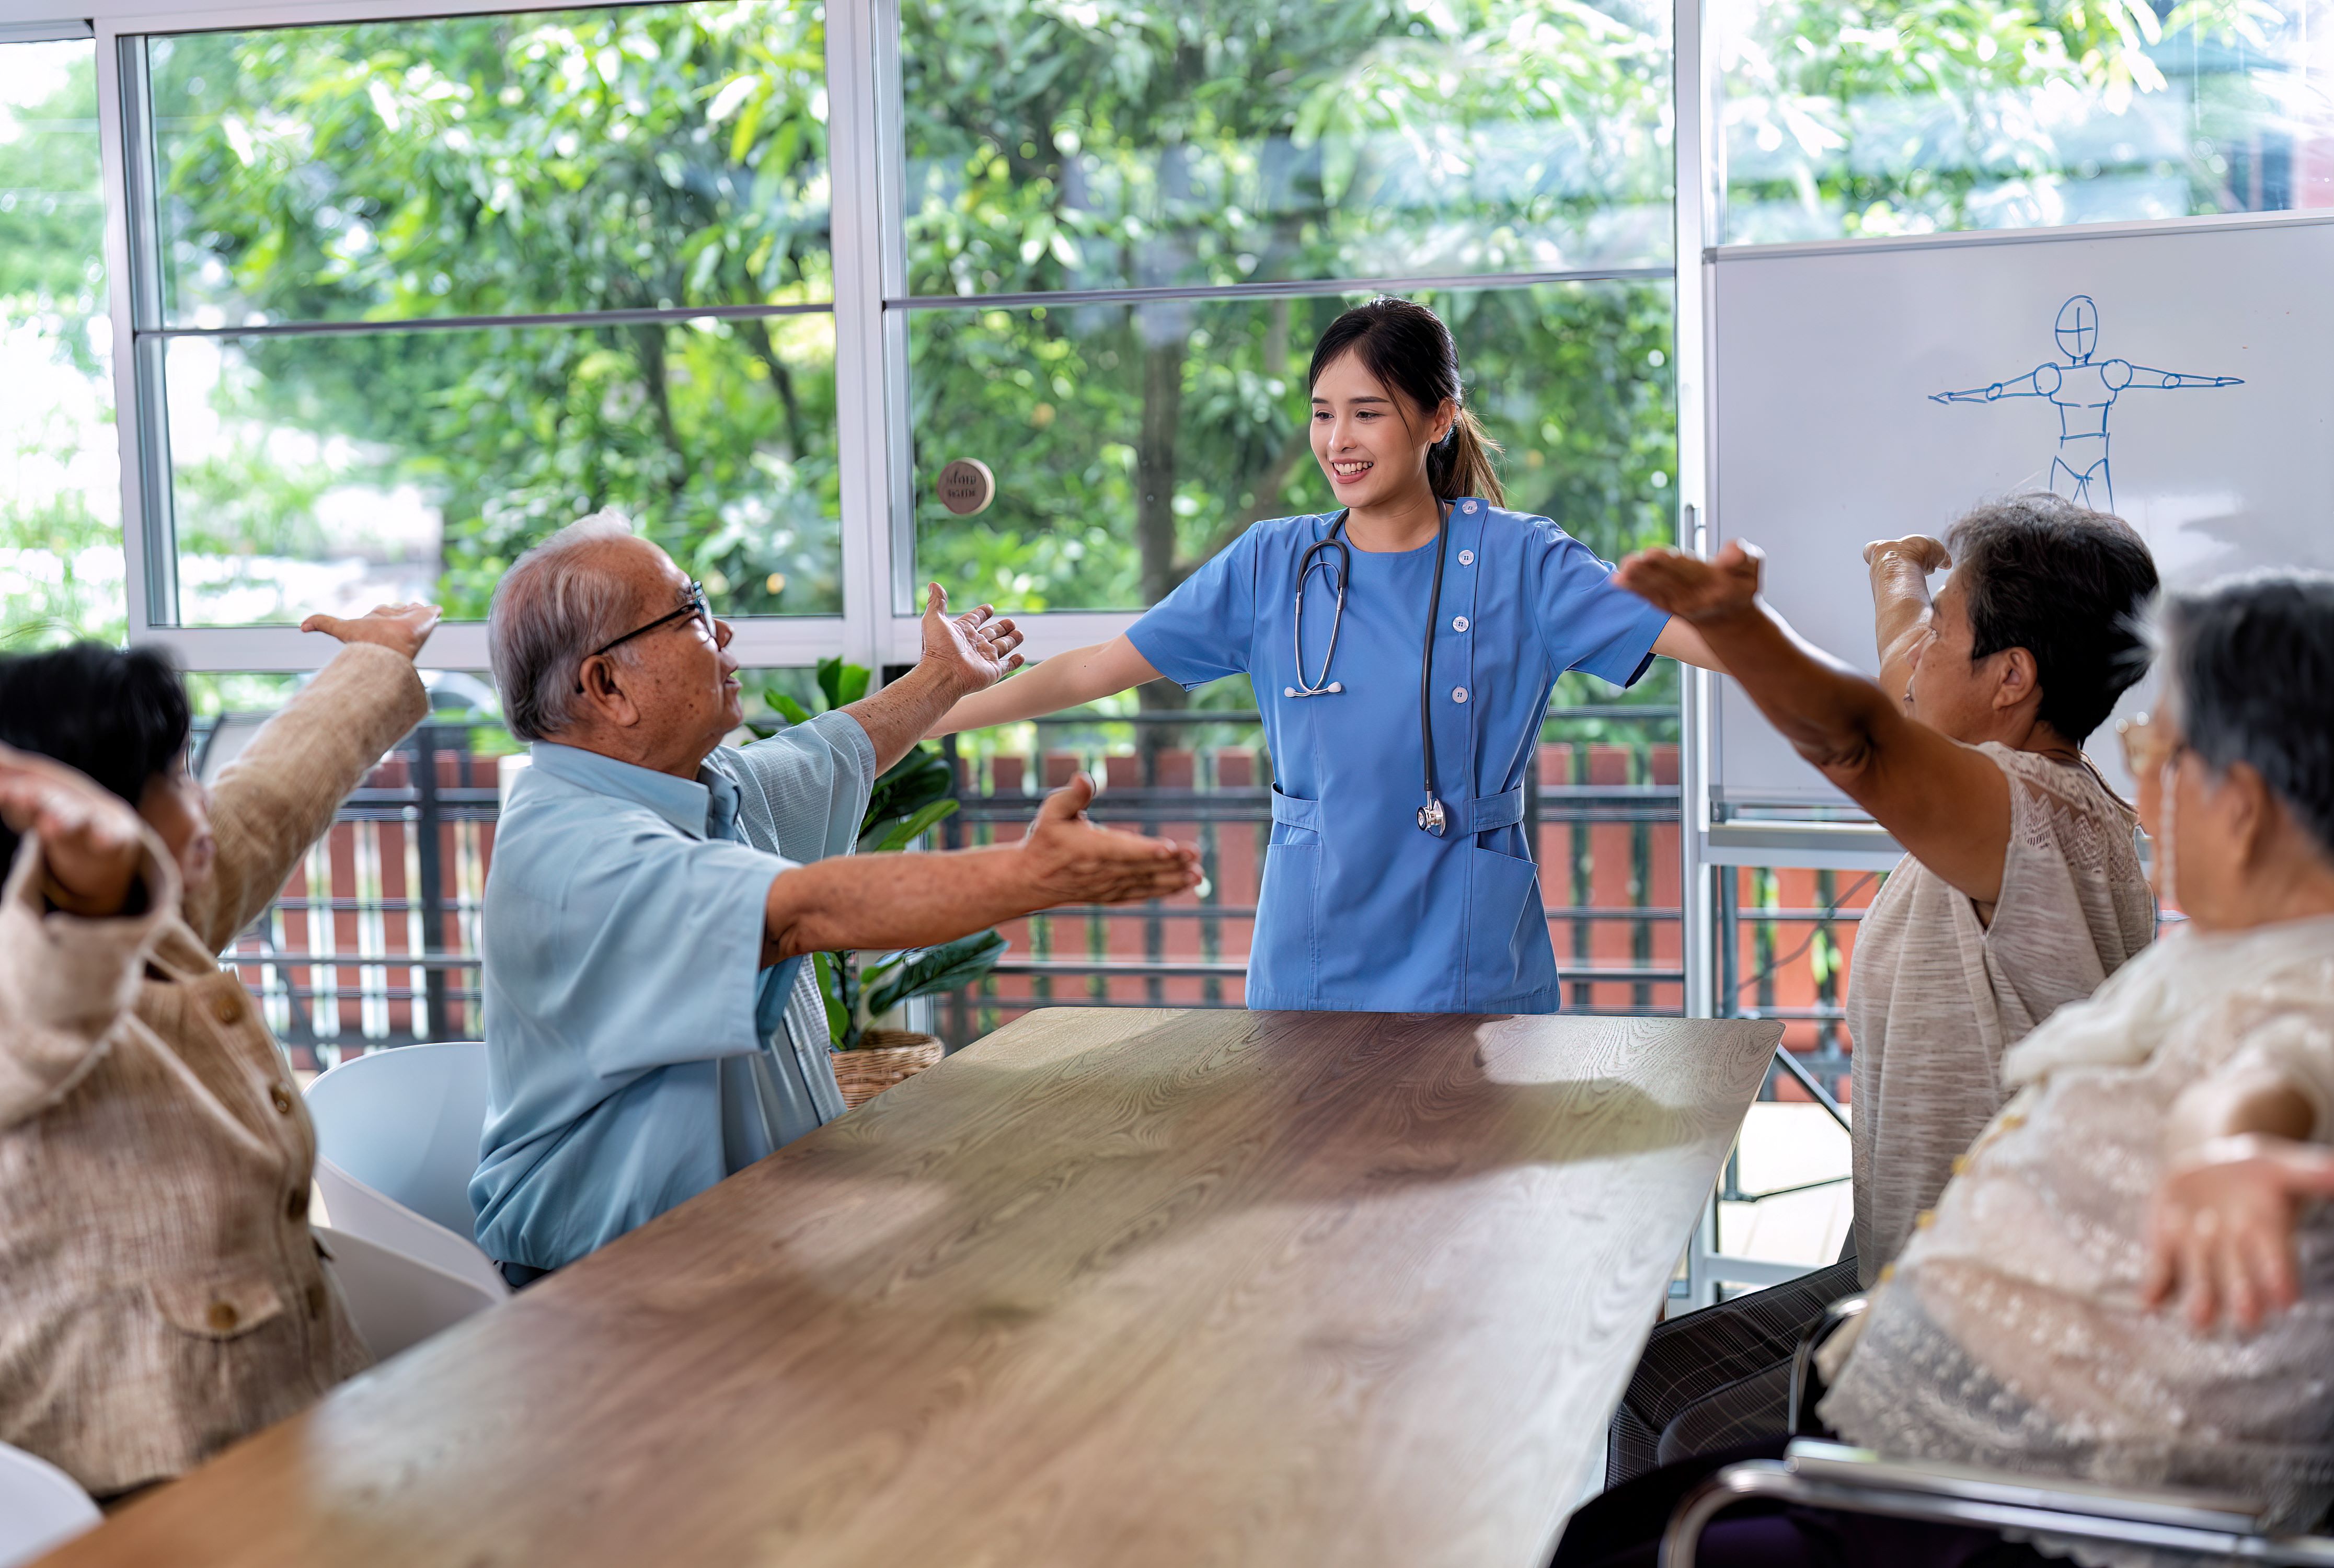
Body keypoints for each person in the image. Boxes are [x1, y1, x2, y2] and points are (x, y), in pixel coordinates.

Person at [1560, 569, 2334, 1568]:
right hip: (1960, 1418)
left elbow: (2272, 1081)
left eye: (2167, 749)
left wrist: (2223, 1149)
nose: (2146, 777)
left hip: (2019, 1499)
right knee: (1620, 1507)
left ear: (2246, 799)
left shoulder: (2311, 993)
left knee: (1638, 1527)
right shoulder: (2238, 947)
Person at [927, 297, 1719, 1014]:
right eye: (1322, 414)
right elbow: (1098, 666)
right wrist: (926, 718)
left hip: (1467, 946)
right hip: (1312, 948)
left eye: (1367, 413)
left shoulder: (1523, 561)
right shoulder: (1271, 562)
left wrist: (1811, 661)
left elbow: (1701, 640)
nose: (1338, 441)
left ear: (1438, 418)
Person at [473, 512, 1203, 1280]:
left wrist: (940, 681)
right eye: (689, 612)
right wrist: (1033, 876)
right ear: (608, 685)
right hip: (611, 1295)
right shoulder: (575, 851)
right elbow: (801, 912)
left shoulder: (704, 787)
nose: (721, 631)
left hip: (767, 1241)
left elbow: (830, 751)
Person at [1602, 496, 2162, 1479]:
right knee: (1654, 1379)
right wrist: (1897, 570)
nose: (1915, 655)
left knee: (1703, 1451)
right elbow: (1908, 674)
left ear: (2012, 680)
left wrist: (1738, 626)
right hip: (1897, 1268)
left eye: (1947, 628)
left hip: (1992, 1317)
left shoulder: (2025, 814)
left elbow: (1862, 736)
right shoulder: (2008, 785)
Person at [0, 605, 442, 1497]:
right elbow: (34, 1016)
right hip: (128, 1498)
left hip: (298, 1441)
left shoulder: (162, 920)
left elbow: (270, 800)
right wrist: (91, 896)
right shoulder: (33, 983)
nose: (195, 799)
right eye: (162, 780)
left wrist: (371, 662)